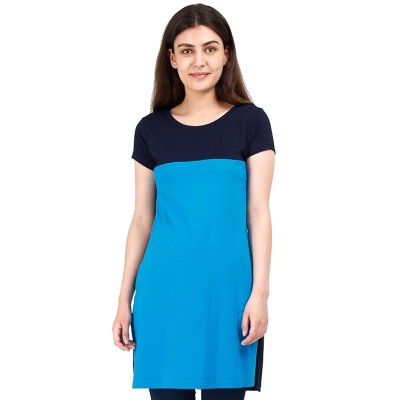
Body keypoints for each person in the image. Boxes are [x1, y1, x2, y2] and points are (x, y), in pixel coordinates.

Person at [112, 4, 276, 400]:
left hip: (229, 294)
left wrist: (260, 294)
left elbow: (258, 212)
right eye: (187, 50)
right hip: (163, 293)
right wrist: (122, 300)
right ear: (172, 58)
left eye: (210, 48)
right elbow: (141, 220)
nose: (198, 61)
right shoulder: (150, 130)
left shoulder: (251, 122)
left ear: (226, 54)